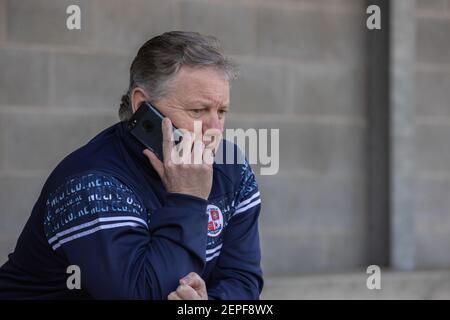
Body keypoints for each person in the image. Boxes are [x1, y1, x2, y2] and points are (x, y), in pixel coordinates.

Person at [0, 31, 263, 300]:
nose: (214, 131)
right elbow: (142, 294)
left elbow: (243, 280)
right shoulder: (92, 182)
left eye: (221, 112)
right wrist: (188, 198)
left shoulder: (233, 169)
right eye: (197, 111)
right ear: (142, 106)